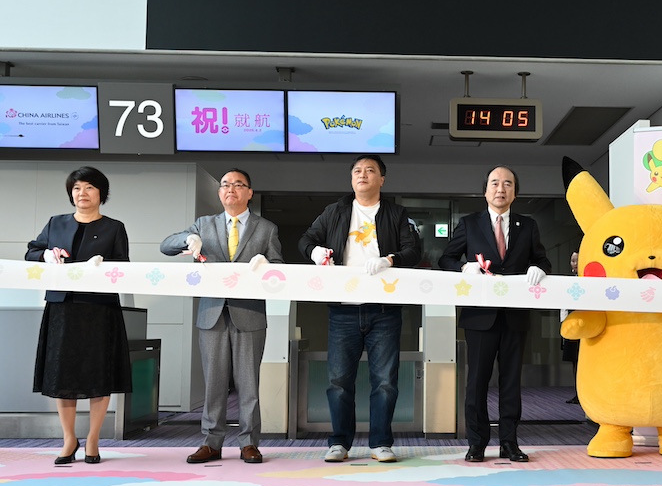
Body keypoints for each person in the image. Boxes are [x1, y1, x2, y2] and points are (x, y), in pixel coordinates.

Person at [299, 155, 421, 463]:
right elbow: (306, 239)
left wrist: (390, 259)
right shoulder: (335, 212)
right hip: (343, 309)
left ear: (382, 179)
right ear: (351, 179)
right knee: (339, 381)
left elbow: (414, 249)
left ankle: (381, 442)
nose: (362, 175)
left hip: (384, 309)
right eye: (357, 171)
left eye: (370, 171)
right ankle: (339, 442)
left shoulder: (396, 213)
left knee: (385, 381)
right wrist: (315, 251)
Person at [160, 168, 283, 464]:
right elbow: (166, 245)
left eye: (238, 185)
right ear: (219, 193)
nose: (231, 189)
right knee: (213, 382)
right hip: (212, 314)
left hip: (250, 314)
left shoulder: (266, 228)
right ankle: (211, 442)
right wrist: (188, 239)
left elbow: (279, 266)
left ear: (249, 192)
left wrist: (267, 263)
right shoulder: (204, 224)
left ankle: (249, 443)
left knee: (248, 383)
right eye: (226, 185)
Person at [438, 165, 552, 463]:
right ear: (485, 190)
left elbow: (542, 260)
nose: (500, 189)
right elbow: (446, 257)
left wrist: (540, 268)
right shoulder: (470, 223)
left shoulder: (528, 226)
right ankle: (477, 443)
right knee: (476, 381)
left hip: (515, 316)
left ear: (515, 192)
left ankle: (509, 442)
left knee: (511, 382)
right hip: (479, 315)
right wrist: (464, 267)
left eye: (507, 184)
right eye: (494, 183)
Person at [26, 166, 132, 465]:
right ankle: (69, 439)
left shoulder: (114, 227)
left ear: (101, 193)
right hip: (62, 307)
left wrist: (104, 266)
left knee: (99, 373)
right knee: (63, 374)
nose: (81, 193)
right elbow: (31, 253)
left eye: (88, 187)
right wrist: (46, 255)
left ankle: (94, 439)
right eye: (76, 188)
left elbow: (124, 267)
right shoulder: (55, 223)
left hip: (99, 309)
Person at [561, 251, 580, 404]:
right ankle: (577, 392)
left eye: (577, 260)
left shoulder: (592, 280)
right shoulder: (569, 281)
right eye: (573, 260)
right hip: (571, 325)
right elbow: (564, 305)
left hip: (586, 326)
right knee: (574, 360)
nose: (575, 263)